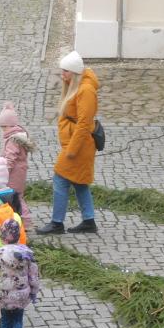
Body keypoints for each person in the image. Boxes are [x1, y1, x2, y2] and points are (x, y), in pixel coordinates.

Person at [37, 50, 100, 235]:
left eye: (65, 71)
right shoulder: (77, 86)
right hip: (74, 143)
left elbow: (84, 124)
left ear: (74, 72)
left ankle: (57, 223)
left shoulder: (86, 90)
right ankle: (89, 221)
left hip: (79, 146)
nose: (62, 74)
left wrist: (72, 149)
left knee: (60, 178)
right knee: (79, 182)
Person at [0, 101, 35, 227]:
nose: (3, 130)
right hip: (20, 171)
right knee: (17, 196)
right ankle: (18, 219)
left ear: (10, 125)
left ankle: (25, 221)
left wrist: (4, 171)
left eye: (4, 127)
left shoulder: (13, 140)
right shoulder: (18, 136)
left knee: (15, 196)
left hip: (14, 173)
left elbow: (10, 158)